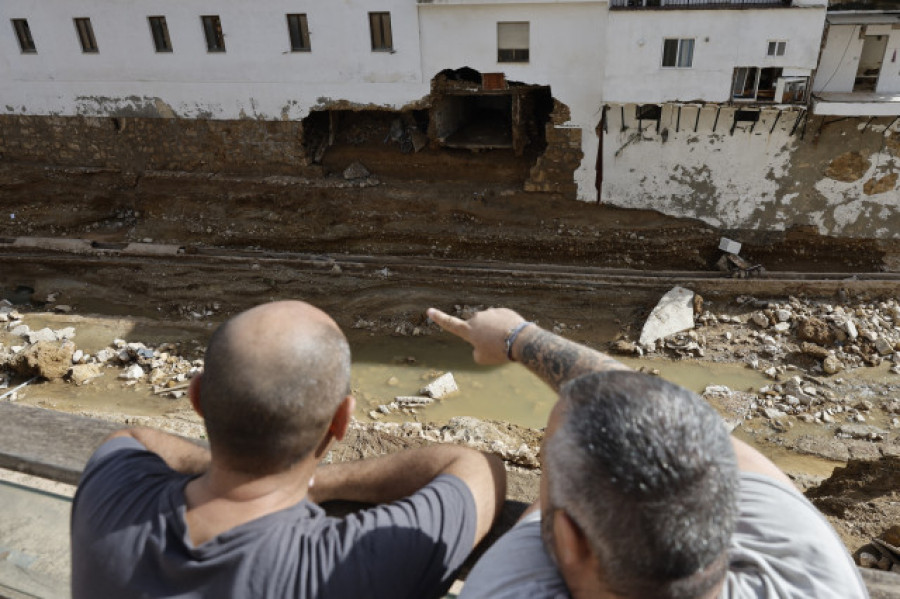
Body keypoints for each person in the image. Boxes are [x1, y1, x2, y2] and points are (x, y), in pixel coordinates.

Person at [71, 300, 506, 599]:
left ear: (198, 398)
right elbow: (478, 468)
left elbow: (133, 437)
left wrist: (240, 470)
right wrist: (311, 483)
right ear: (341, 421)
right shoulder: (353, 563)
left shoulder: (109, 494)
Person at [427, 307, 869, 599]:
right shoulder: (809, 567)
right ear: (729, 507)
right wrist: (518, 336)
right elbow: (670, 415)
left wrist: (515, 338)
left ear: (570, 540)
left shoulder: (510, 585)